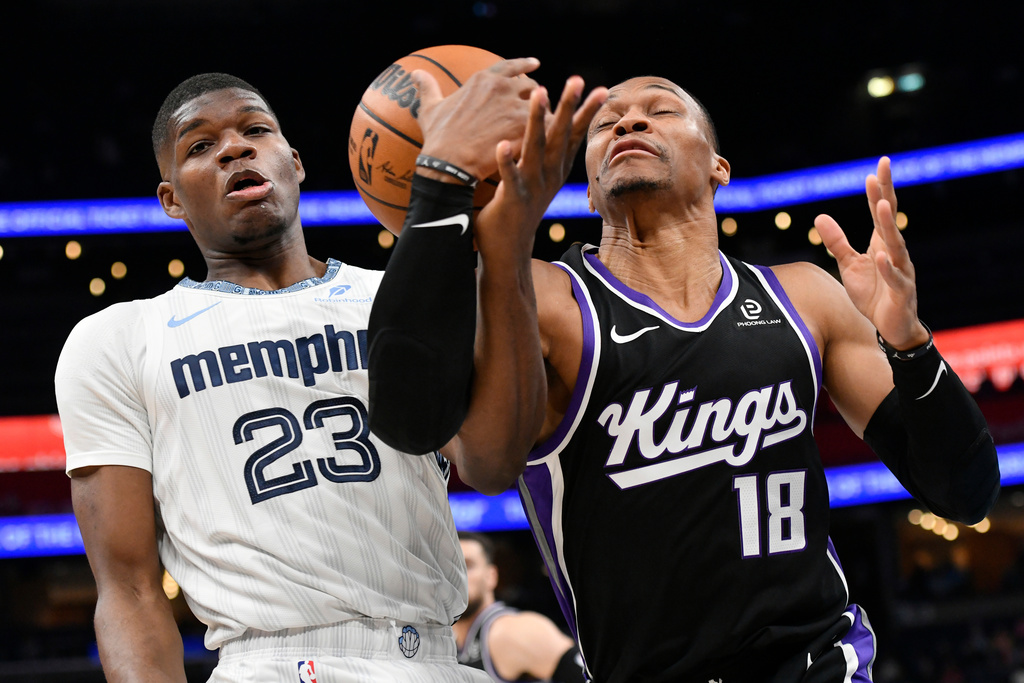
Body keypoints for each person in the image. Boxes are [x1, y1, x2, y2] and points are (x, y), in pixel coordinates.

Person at [367, 75, 1002, 681]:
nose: (631, 120)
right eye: (606, 122)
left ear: (719, 166)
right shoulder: (547, 298)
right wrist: (499, 248)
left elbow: (964, 493)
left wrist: (911, 344)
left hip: (818, 664)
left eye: (662, 109)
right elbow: (486, 463)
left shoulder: (804, 296)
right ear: (587, 187)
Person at [55, 65, 605, 682]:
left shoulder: (400, 301)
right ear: (171, 198)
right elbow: (128, 588)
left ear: (295, 162)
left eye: (254, 131)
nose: (234, 148)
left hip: (432, 658)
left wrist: (507, 243)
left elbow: (491, 465)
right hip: (267, 662)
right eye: (200, 146)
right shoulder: (116, 340)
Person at [455, 532, 585, 683]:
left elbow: (586, 674)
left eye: (468, 566)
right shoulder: (440, 639)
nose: (457, 575)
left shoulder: (513, 631)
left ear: (491, 576)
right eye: (449, 567)